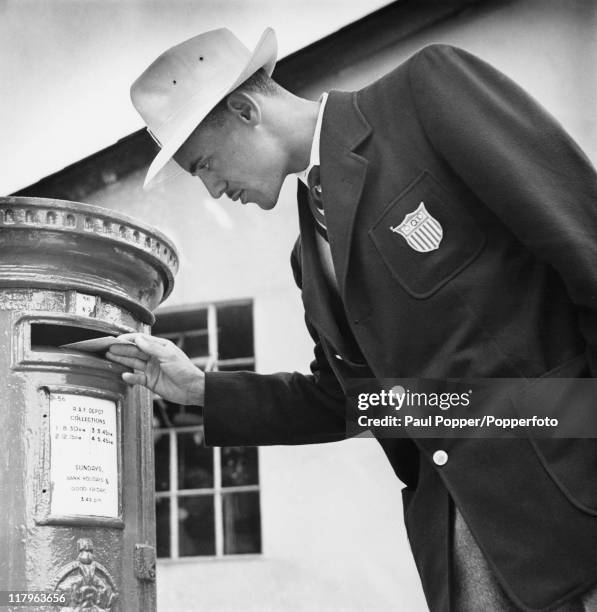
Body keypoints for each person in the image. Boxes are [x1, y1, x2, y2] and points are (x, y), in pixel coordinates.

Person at [107, 27, 597, 611]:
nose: (213, 190)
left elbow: (584, 249)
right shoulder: (308, 252)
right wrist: (200, 389)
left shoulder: (425, 94)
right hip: (462, 550)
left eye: (205, 164)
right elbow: (353, 401)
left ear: (245, 109)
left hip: (574, 511)